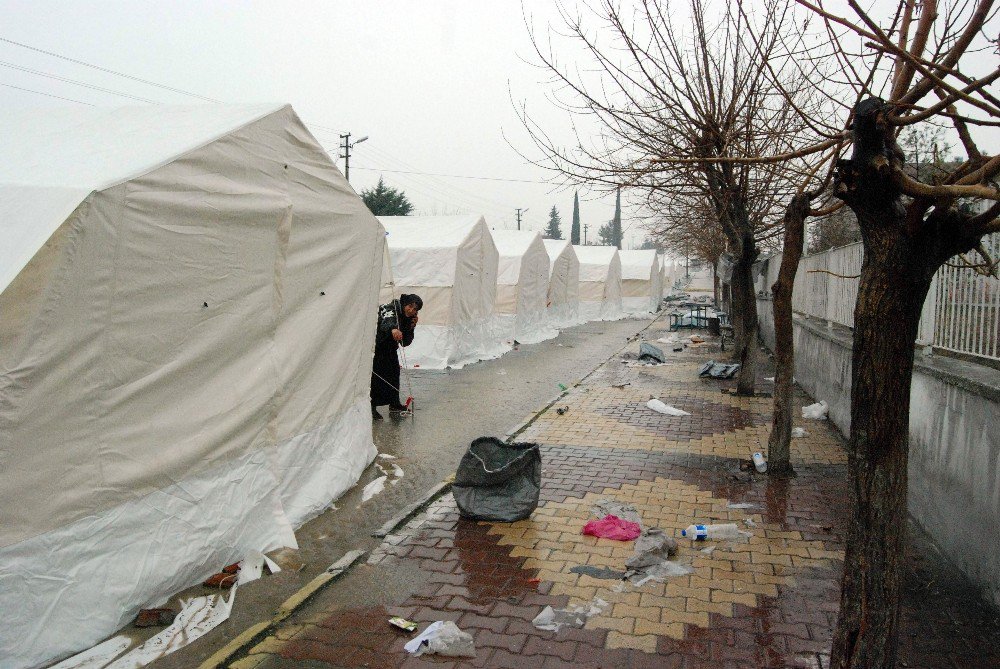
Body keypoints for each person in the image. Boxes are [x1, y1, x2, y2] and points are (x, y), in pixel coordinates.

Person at [370, 293, 422, 420]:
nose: (411, 310)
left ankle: (394, 403)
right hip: (376, 347)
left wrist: (411, 327)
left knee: (394, 374)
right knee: (377, 378)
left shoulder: (409, 318)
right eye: (410, 306)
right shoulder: (390, 307)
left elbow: (405, 342)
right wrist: (393, 329)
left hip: (389, 349)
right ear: (405, 304)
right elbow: (386, 322)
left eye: (415, 309)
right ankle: (372, 407)